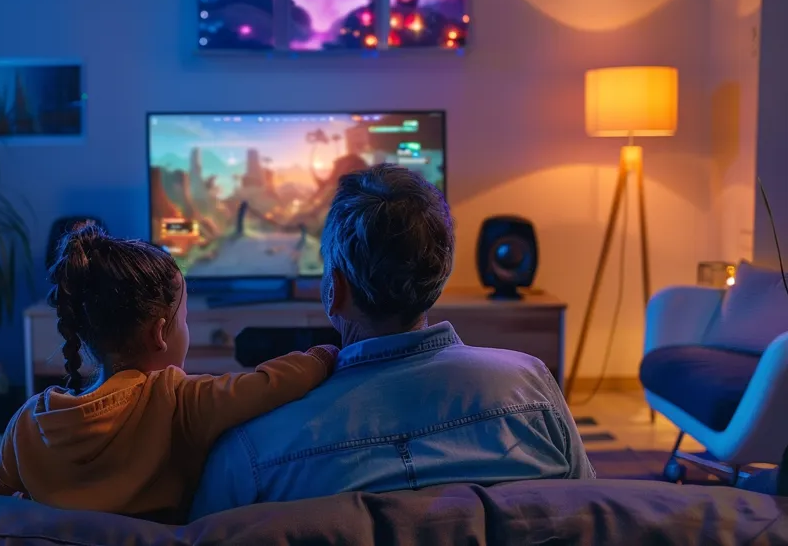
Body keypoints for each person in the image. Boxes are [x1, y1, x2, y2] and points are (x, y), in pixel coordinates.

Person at [191, 164, 593, 520]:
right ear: (439, 276)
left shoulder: (251, 448)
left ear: (334, 290)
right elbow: (594, 508)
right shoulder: (532, 386)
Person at [0, 222, 337, 523]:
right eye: (184, 320)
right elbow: (271, 384)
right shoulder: (180, 400)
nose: (185, 329)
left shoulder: (29, 422)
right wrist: (325, 353)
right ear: (159, 333)